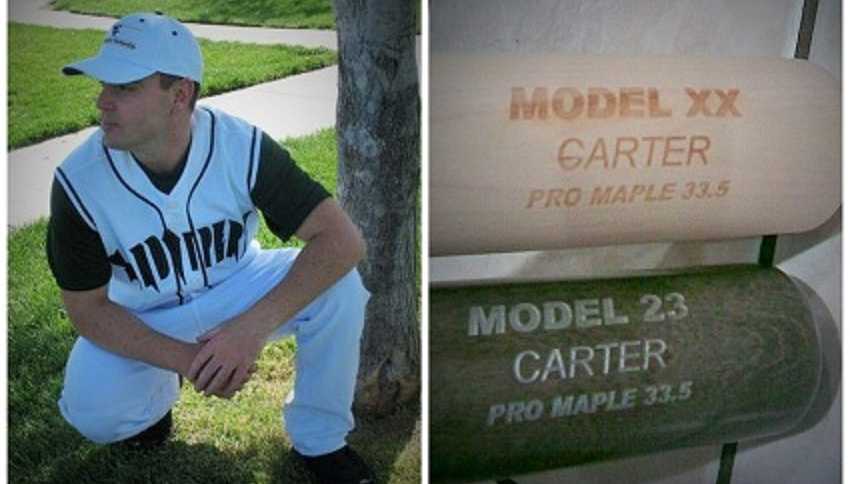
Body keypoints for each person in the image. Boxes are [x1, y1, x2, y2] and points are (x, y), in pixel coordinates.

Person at [46, 12, 375, 484]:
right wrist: (185, 361)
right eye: (104, 85)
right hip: (144, 313)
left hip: (238, 286)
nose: (102, 101)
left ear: (179, 94)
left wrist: (250, 328)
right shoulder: (78, 182)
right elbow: (88, 311)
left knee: (339, 284)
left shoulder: (241, 147)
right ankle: (154, 402)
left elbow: (342, 240)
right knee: (94, 414)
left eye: (124, 87)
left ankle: (321, 440)